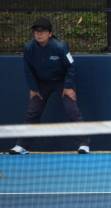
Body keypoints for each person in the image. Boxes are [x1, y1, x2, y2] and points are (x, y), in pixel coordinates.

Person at [9, 17, 90, 155]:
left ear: (50, 34)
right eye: (36, 31)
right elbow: (28, 70)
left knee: (72, 111)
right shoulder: (29, 48)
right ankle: (22, 145)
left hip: (62, 82)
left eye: (42, 31)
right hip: (41, 84)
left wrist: (69, 86)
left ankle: (84, 144)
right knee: (32, 112)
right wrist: (34, 88)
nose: (39, 34)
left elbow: (71, 66)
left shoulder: (60, 46)